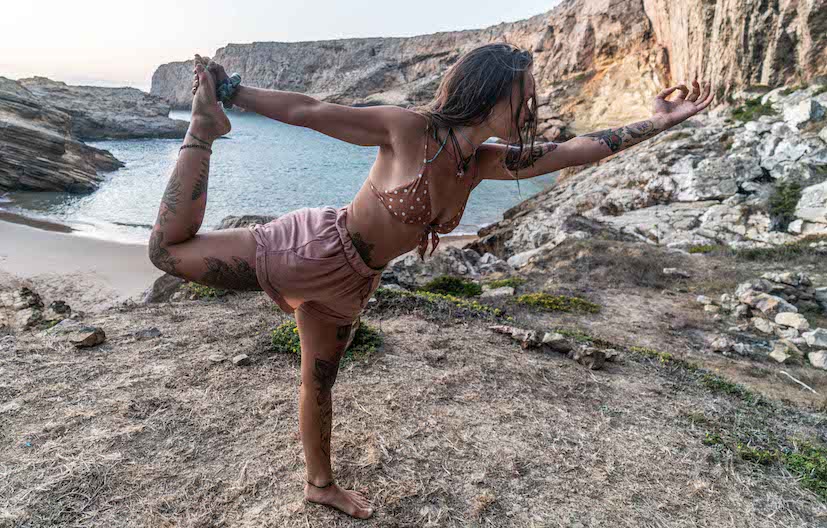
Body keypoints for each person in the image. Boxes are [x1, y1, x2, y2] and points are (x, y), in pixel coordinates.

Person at [148, 42, 715, 519]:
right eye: (528, 91)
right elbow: (311, 110)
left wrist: (659, 122)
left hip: (353, 283)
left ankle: (319, 485)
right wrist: (231, 94)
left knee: (319, 382)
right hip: (313, 249)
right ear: (494, 93)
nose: (535, 101)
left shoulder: (484, 163)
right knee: (167, 252)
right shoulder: (408, 129)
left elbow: (572, 151)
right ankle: (202, 129)